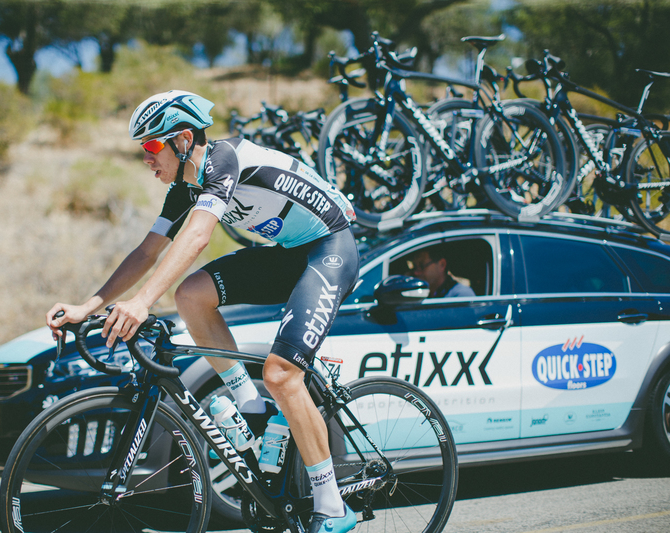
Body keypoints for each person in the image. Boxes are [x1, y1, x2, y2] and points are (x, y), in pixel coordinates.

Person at [47, 90, 359, 533]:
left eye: (152, 147)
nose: (146, 159)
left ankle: (332, 505)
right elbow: (147, 251)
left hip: (330, 248)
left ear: (183, 140)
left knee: (281, 374)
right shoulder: (185, 187)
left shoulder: (224, 161)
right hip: (288, 252)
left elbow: (195, 239)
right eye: (142, 149)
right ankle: (249, 405)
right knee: (192, 295)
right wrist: (87, 306)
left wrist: (141, 302)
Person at [411, 244, 475, 298]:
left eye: (421, 266)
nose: (416, 272)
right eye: (415, 267)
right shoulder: (423, 295)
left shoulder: (460, 295)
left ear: (442, 265)